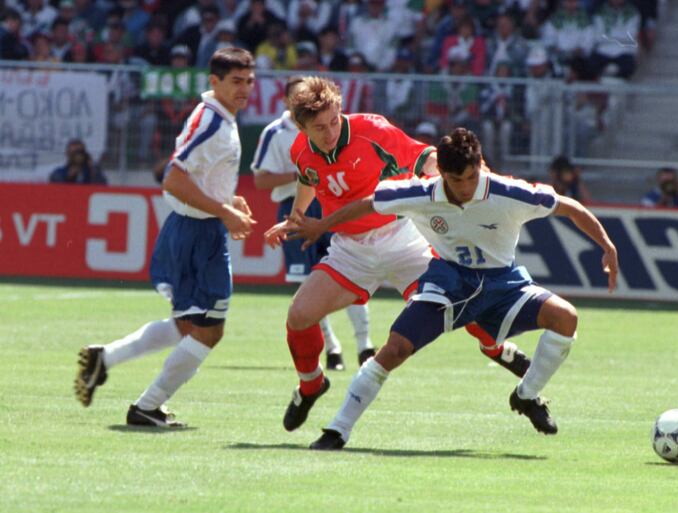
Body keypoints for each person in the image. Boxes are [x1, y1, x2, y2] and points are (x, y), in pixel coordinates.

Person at [286, 127, 618, 450]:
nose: (464, 187)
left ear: (481, 165)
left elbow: (569, 206)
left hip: (504, 284)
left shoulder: (508, 191)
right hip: (450, 282)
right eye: (455, 179)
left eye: (471, 177)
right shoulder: (422, 193)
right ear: (441, 172)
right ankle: (338, 430)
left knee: (566, 318)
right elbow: (371, 202)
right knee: (396, 348)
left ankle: (526, 395)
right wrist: (322, 225)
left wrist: (607, 246)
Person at [264, 77, 533, 434]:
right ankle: (311, 385)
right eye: (319, 128)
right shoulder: (300, 149)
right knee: (298, 316)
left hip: (403, 239)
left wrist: (466, 182)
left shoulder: (373, 130)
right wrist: (295, 217)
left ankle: (499, 351)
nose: (329, 132)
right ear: (301, 127)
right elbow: (308, 179)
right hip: (350, 251)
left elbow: (427, 157)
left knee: (464, 306)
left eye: (333, 121)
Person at [74, 48, 257, 428]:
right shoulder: (212, 121)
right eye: (236, 81)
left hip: (195, 229)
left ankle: (104, 359)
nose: (244, 89)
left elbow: (198, 174)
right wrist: (223, 211)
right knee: (209, 330)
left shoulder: (218, 116)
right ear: (215, 82)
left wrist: (227, 200)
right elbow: (173, 177)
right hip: (198, 233)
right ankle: (147, 406)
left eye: (249, 81)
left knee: (188, 327)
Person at [252, 77, 375, 371]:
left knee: (349, 274)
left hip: (332, 203)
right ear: (289, 104)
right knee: (306, 283)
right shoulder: (276, 133)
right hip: (294, 208)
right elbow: (260, 178)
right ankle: (332, 349)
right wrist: (303, 174)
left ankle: (365, 346)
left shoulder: (337, 128)